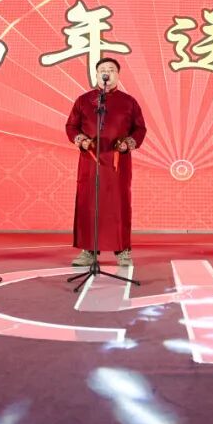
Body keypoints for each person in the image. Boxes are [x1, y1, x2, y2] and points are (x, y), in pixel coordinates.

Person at [65, 58, 147, 267]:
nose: (107, 73)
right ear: (96, 75)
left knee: (118, 204)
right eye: (103, 69)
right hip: (91, 160)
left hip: (117, 162)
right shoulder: (84, 100)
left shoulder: (128, 102)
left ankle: (123, 251)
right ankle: (88, 251)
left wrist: (128, 143)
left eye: (111, 69)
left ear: (117, 75)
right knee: (88, 204)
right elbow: (71, 126)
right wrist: (81, 140)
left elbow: (140, 128)